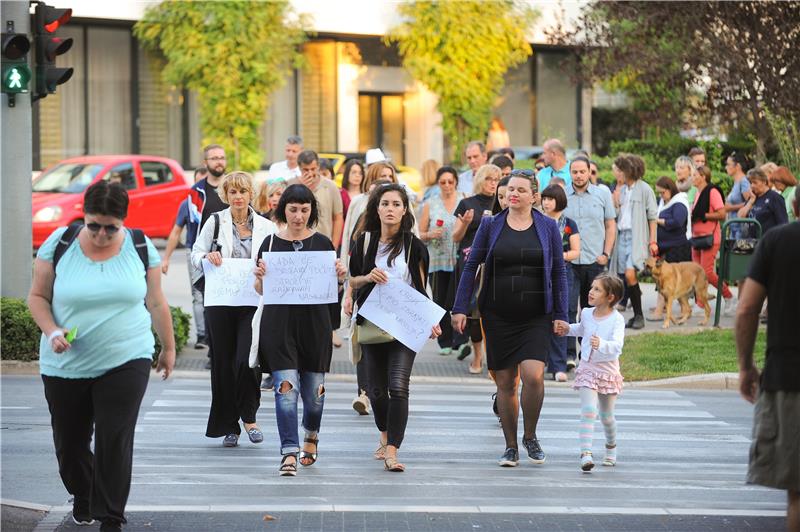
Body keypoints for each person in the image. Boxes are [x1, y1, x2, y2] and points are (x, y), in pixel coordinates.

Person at [28, 181, 175, 531]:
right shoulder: (60, 243)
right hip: (65, 362)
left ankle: (111, 516)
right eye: (94, 225)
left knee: (114, 437)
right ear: (84, 215)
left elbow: (155, 301)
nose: (102, 234)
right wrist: (52, 331)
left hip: (127, 356)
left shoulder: (139, 247)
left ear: (123, 221)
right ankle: (84, 492)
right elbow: (37, 297)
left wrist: (167, 347)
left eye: (111, 227)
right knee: (70, 444)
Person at [452, 171, 567, 467]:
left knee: (533, 376)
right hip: (497, 314)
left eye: (519, 190)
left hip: (536, 316)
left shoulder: (548, 227)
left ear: (534, 196)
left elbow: (558, 272)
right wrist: (460, 308)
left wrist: (561, 314)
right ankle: (511, 446)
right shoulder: (491, 225)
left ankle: (531, 436)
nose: (513, 194)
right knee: (505, 382)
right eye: (509, 189)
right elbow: (470, 266)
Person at [253, 184, 347, 476]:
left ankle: (311, 434)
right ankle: (289, 452)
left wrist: (341, 278)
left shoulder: (322, 244)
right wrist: (259, 277)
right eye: (293, 209)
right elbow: (259, 290)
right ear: (283, 210)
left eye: (304, 210)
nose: (298, 216)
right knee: (285, 389)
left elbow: (333, 289)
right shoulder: (269, 243)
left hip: (314, 327)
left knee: (314, 395)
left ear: (312, 211)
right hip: (279, 326)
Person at [349, 183, 440, 472]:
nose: (390, 209)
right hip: (372, 322)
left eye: (396, 204)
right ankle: (384, 433)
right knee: (375, 390)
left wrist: (431, 318)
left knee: (399, 386)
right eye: (385, 204)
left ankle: (392, 450)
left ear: (404, 210)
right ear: (377, 208)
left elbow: (421, 286)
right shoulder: (364, 241)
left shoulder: (415, 246)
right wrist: (367, 277)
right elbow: (351, 281)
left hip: (404, 324)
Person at [191, 171, 277, 447]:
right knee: (223, 364)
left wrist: (267, 269)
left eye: (243, 191)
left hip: (253, 302)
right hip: (220, 302)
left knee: (247, 361)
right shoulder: (214, 222)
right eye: (232, 192)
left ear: (251, 194)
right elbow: (195, 254)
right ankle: (229, 426)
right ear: (225, 195)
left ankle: (249, 417)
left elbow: (277, 261)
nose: (238, 197)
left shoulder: (267, 227)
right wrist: (207, 256)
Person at [735, 186, 799, 532]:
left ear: (793, 205)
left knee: (797, 494)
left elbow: (746, 308)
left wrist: (746, 365)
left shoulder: (776, 241)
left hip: (790, 378)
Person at [555, 274, 625, 472]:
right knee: (588, 411)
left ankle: (611, 447)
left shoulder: (617, 320)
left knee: (606, 416)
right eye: (592, 287)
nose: (590, 291)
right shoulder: (586, 313)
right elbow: (581, 329)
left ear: (610, 297)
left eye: (597, 289)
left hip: (608, 371)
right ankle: (586, 453)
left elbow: (617, 346)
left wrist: (601, 344)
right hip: (587, 368)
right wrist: (567, 329)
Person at [564, 157, 617, 368]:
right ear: (570, 173)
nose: (578, 175)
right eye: (574, 172)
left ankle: (585, 354)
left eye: (582, 171)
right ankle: (568, 354)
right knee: (568, 308)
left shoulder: (602, 194)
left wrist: (606, 253)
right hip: (569, 261)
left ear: (589, 172)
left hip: (594, 261)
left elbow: (610, 225)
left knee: (590, 310)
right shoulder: (563, 196)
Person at [452, 164, 502, 372]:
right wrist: (465, 223)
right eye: (489, 179)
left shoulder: (503, 203)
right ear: (480, 179)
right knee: (473, 311)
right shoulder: (467, 203)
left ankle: (494, 356)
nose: (493, 184)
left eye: (497, 180)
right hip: (471, 263)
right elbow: (455, 237)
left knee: (494, 310)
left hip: (496, 263)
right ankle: (477, 357)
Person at [419, 166, 466, 356]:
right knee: (439, 301)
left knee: (459, 299)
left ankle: (461, 340)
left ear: (456, 182)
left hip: (458, 257)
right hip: (437, 259)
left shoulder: (464, 199)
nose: (447, 186)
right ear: (438, 184)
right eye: (442, 182)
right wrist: (430, 234)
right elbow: (419, 233)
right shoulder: (431, 203)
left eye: (450, 181)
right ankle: (445, 341)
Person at [161, 166, 209, 350]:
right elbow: (175, 232)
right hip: (194, 252)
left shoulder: (221, 200)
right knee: (198, 295)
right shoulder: (188, 204)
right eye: (198, 180)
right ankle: (202, 336)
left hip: (217, 253)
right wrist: (166, 258)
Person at [609, 154, 658, 330]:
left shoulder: (645, 189)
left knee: (630, 274)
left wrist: (652, 241)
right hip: (622, 236)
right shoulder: (621, 190)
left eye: (620, 170)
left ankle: (639, 316)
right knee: (623, 276)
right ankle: (636, 316)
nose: (617, 174)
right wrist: (615, 201)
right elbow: (616, 214)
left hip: (637, 237)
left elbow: (652, 217)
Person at [541, 184, 580, 382]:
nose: (546, 202)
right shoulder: (536, 221)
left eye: (550, 198)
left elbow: (576, 251)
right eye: (544, 198)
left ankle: (558, 365)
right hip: (539, 273)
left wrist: (559, 255)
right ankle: (541, 362)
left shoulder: (569, 223)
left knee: (561, 317)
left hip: (563, 272)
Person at [690, 165, 736, 314]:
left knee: (707, 273)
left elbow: (722, 214)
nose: (692, 178)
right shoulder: (697, 193)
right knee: (696, 272)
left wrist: (705, 216)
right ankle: (700, 303)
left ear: (703, 176)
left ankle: (728, 296)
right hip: (697, 237)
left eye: (695, 175)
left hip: (710, 238)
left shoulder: (712, 191)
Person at [737, 168, 789, 235]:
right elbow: (740, 217)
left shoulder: (775, 198)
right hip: (753, 242)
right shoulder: (753, 197)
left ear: (764, 182)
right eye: (750, 183)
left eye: (755, 182)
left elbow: (783, 224)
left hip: (769, 241)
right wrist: (750, 201)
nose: (752, 186)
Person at [724, 152, 753, 239]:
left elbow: (751, 203)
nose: (726, 167)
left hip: (740, 230)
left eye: (728, 164)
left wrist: (730, 208)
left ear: (738, 166)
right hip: (733, 228)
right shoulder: (736, 182)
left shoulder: (743, 182)